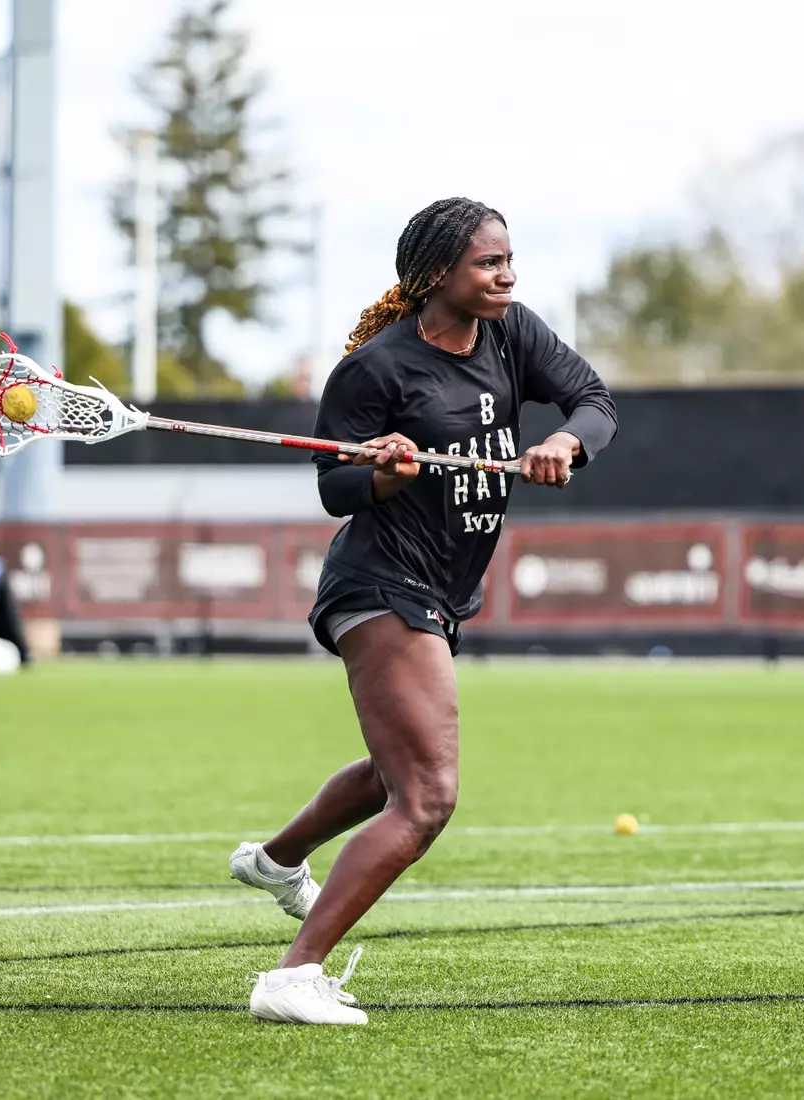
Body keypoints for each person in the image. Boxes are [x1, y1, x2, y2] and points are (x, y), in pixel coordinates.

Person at [229, 197, 618, 1024]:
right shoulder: (375, 370)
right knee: (428, 797)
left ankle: (276, 861)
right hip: (379, 586)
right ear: (439, 272)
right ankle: (292, 978)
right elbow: (336, 488)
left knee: (388, 774)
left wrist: (564, 443)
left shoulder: (514, 335)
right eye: (488, 263)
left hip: (442, 593)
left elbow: (593, 399)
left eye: (509, 259)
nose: (506, 274)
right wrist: (384, 473)